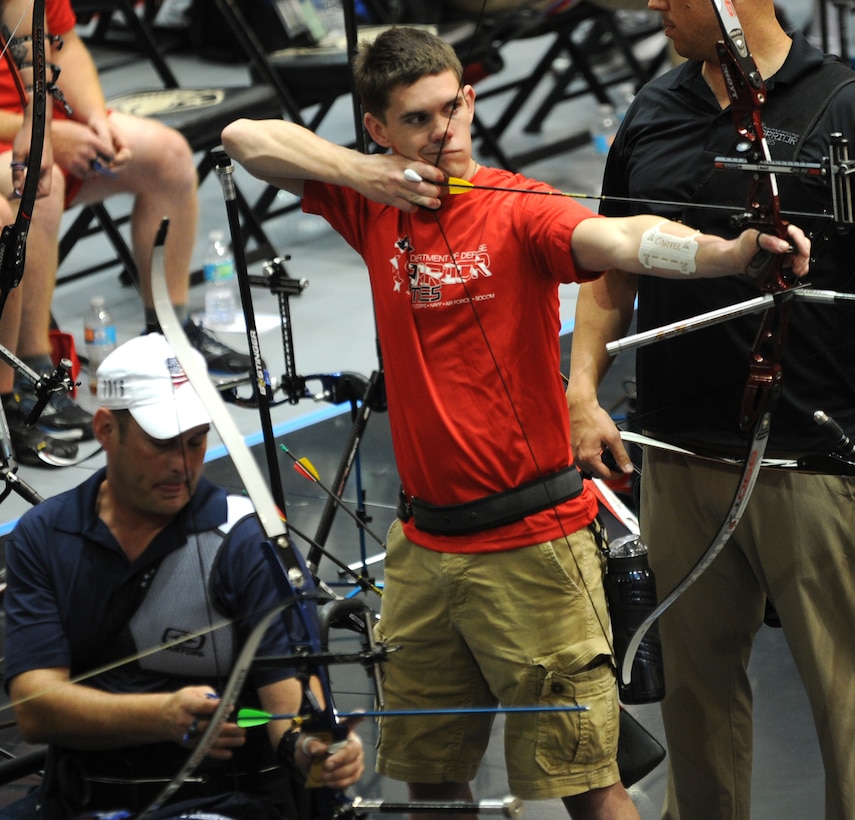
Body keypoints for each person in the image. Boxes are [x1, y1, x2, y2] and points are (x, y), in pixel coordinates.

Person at [219, 26, 808, 819]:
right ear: (378, 130)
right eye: (418, 120)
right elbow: (243, 137)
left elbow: (618, 236)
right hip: (424, 553)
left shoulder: (515, 205)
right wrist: (366, 176)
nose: (444, 133)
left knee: (587, 787)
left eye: (451, 109)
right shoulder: (372, 201)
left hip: (534, 550)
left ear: (468, 99)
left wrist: (727, 254)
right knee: (428, 780)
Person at [564, 0, 855, 817]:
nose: (652, 3)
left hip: (814, 464)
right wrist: (580, 390)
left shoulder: (840, 104)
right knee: (696, 716)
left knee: (848, 712)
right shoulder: (653, 108)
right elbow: (607, 271)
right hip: (679, 458)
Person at [2, 332, 365, 819]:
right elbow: (35, 708)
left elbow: (292, 716)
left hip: (221, 802)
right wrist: (162, 716)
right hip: (85, 798)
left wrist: (318, 757)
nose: (182, 466)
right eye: (163, 445)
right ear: (107, 429)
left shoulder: (246, 538)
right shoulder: (43, 536)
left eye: (196, 443)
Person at [0, 0, 253, 468]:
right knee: (39, 188)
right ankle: (29, 377)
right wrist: (48, 133)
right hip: (21, 139)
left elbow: (67, 45)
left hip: (45, 129)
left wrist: (94, 117)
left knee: (168, 157)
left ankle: (170, 331)